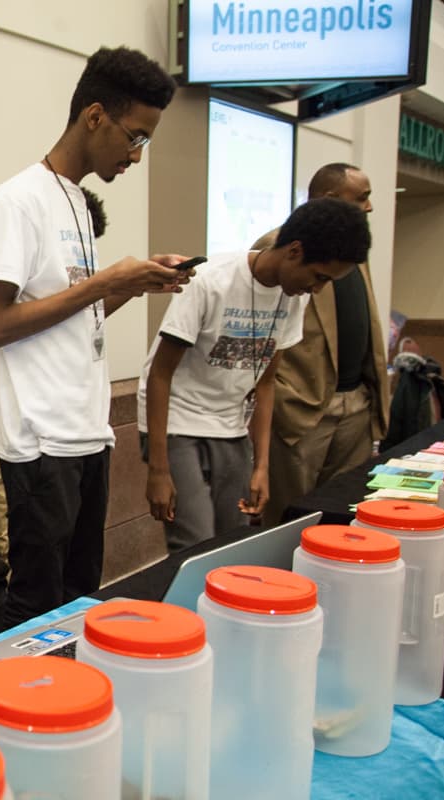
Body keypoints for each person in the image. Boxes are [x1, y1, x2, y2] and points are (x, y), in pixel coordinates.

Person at [0, 46, 188, 627]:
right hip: (41, 440)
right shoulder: (19, 201)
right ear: (95, 116)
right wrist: (104, 282)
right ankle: (20, 710)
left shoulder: (75, 203)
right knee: (36, 608)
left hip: (85, 433)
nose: (138, 156)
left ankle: (68, 710)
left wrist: (133, 284)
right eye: (135, 137)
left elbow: (67, 320)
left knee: (78, 595)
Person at [138, 198, 371, 551]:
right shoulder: (211, 281)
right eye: (319, 276)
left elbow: (265, 384)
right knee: (195, 544)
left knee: (232, 542)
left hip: (231, 428)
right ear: (294, 251)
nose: (318, 288)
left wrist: (261, 466)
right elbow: (159, 374)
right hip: (178, 424)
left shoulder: (296, 297)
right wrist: (158, 468)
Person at [0, 188, 110, 567]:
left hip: (54, 437)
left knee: (58, 557)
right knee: (7, 556)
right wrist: (25, 362)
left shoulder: (77, 281)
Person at [255, 164, 390, 524]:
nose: (370, 206)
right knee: (291, 520)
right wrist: (283, 399)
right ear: (330, 198)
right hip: (302, 411)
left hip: (356, 407)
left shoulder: (354, 251)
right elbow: (255, 337)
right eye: (362, 197)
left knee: (342, 516)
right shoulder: (278, 248)